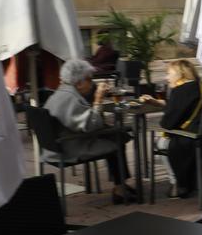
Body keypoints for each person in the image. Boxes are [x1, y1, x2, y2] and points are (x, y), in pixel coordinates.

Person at [45, 59, 138, 204]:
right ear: (80, 82)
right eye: (90, 79)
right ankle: (120, 189)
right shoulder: (70, 99)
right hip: (70, 148)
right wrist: (98, 99)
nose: (92, 83)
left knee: (115, 134)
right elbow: (91, 126)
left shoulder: (59, 94)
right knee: (118, 141)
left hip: (57, 145)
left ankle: (120, 185)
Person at [140, 59, 202, 199]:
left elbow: (168, 123)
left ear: (179, 74)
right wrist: (158, 102)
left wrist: (165, 113)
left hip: (192, 140)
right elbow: (185, 107)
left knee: (161, 142)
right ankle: (191, 181)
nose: (166, 77)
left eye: (168, 73)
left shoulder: (180, 91)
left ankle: (178, 184)